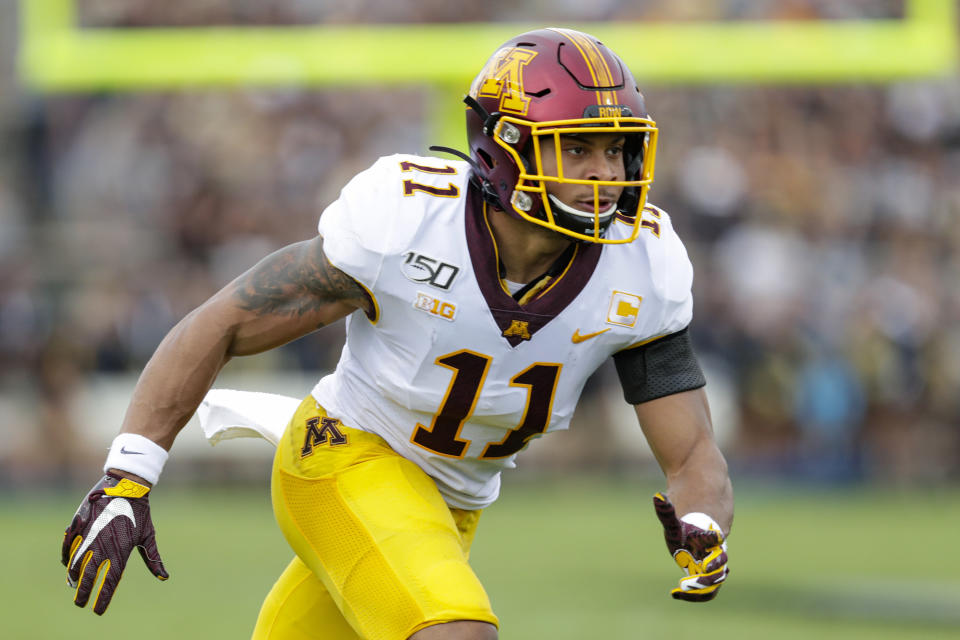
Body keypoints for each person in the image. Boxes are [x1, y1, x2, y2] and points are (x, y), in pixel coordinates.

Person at [61, 27, 733, 639]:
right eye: (577, 148)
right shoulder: (409, 220)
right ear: (505, 148)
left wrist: (702, 523)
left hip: (451, 506)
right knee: (457, 632)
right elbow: (225, 320)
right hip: (344, 455)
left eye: (616, 149)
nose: (606, 175)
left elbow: (691, 449)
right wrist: (128, 478)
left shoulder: (644, 261)